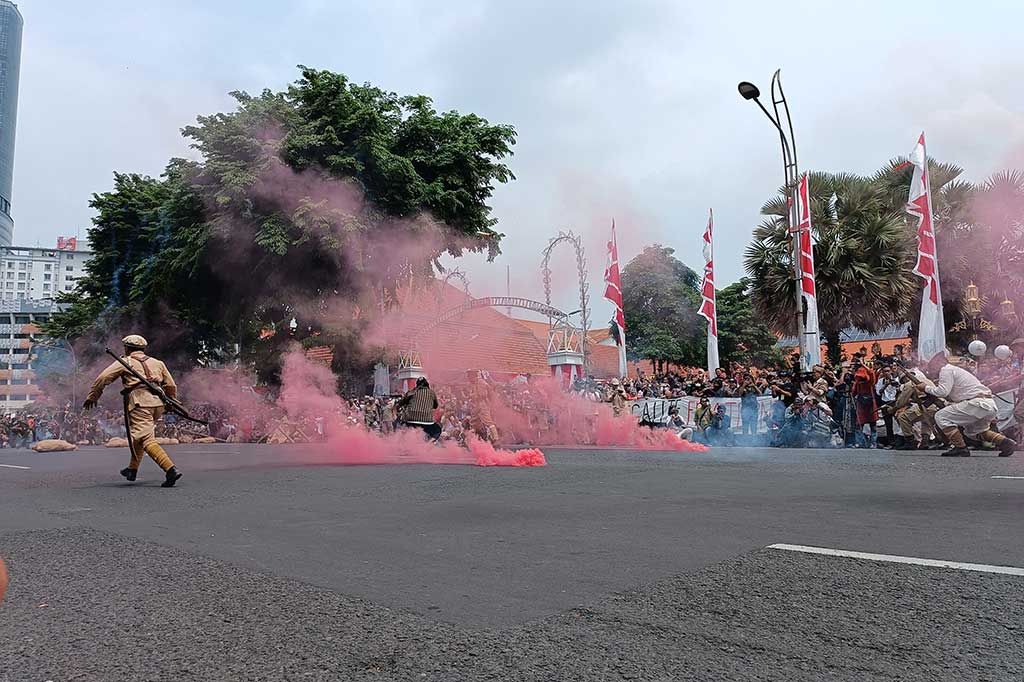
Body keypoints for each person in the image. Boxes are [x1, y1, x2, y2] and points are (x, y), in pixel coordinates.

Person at [83, 335, 182, 487]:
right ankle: (132, 469)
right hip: (158, 403)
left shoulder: (125, 362)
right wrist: (171, 402)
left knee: (146, 439)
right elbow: (171, 385)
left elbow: (103, 378)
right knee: (141, 435)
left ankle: (170, 469)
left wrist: (93, 396)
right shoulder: (158, 363)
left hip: (140, 403)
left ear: (127, 348)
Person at [918, 353, 1017, 457]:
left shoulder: (946, 370)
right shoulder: (953, 370)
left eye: (932, 366)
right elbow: (951, 395)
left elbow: (942, 392)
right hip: (985, 404)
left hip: (977, 403)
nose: (932, 370)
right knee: (974, 432)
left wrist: (925, 388)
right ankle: (1006, 443)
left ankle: (960, 448)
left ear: (939, 363)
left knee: (941, 416)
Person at [396, 377, 441, 441]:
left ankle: (401, 442)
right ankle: (430, 443)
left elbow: (400, 403)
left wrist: (398, 409)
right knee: (437, 430)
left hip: (411, 421)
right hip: (427, 422)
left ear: (417, 384)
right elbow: (435, 406)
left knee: (402, 428)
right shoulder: (432, 393)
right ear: (427, 384)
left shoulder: (411, 392)